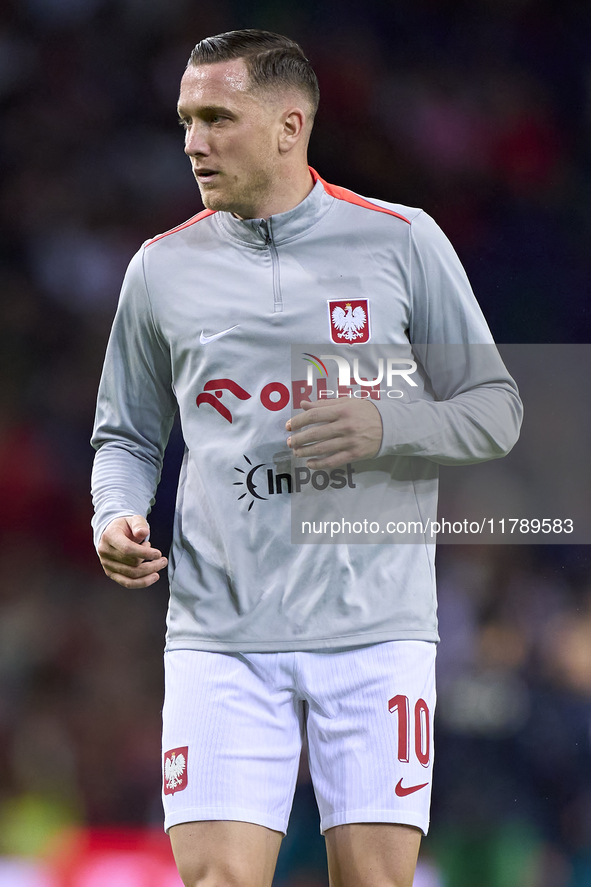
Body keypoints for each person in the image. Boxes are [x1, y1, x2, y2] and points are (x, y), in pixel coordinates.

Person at [91, 29, 523, 887]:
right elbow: (126, 435)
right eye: (185, 119)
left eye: (217, 117)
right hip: (221, 634)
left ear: (290, 125)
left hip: (374, 632)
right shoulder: (160, 270)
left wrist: (385, 424)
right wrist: (114, 512)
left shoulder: (402, 242)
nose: (192, 142)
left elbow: (496, 410)